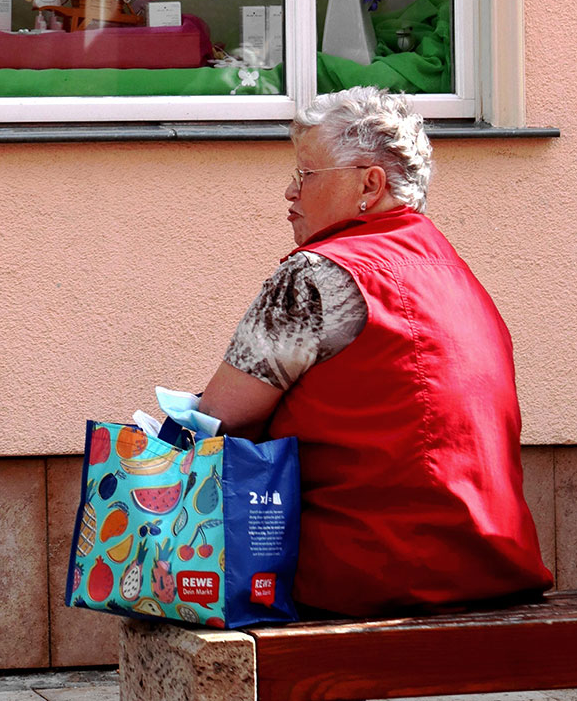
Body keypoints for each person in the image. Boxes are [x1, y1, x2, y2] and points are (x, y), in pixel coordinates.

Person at [198, 85, 552, 618]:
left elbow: (217, 421)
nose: (289, 193)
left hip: (363, 574)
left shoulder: (315, 276)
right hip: (491, 564)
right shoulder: (460, 277)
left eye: (305, 174)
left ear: (370, 183)